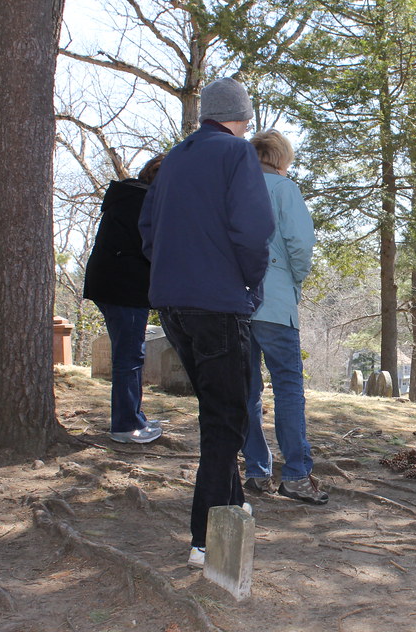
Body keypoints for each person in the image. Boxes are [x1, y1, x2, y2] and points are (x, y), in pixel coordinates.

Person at [139, 78, 275, 568]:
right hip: (218, 302)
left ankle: (233, 505)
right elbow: (254, 228)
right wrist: (248, 282)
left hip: (173, 304)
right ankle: (206, 536)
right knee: (227, 416)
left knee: (223, 405)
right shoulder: (236, 154)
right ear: (242, 115)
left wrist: (170, 276)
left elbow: (148, 231)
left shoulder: (174, 158)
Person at [240, 130, 327, 505]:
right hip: (274, 303)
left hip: (236, 303)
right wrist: (293, 278)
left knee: (247, 391)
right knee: (288, 389)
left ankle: (257, 470)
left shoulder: (233, 189)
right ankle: (295, 474)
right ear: (282, 158)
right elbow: (301, 245)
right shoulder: (283, 189)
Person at [83, 154, 166, 445]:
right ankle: (125, 424)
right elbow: (152, 250)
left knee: (129, 354)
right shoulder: (144, 204)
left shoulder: (129, 195)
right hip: (124, 287)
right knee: (129, 356)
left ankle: (134, 416)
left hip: (110, 283)